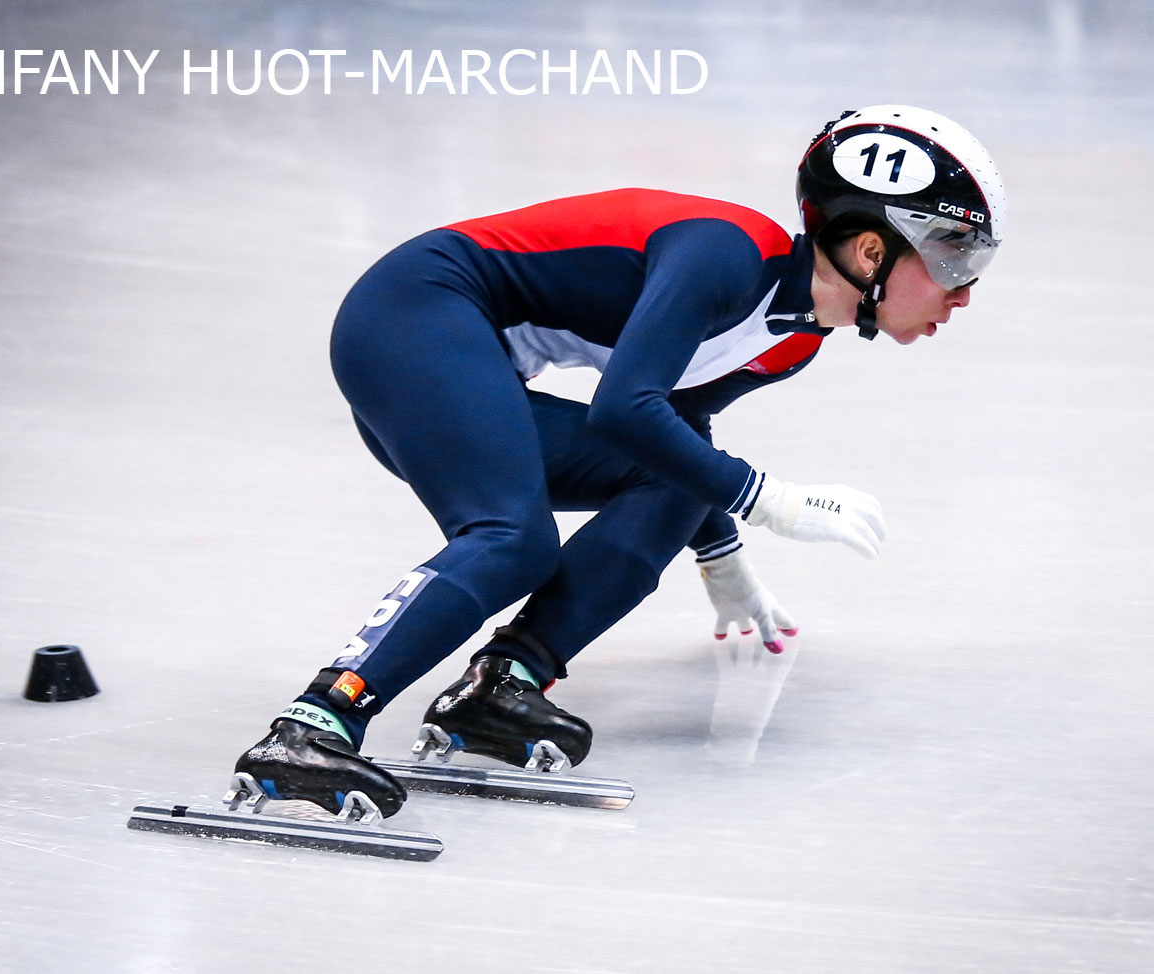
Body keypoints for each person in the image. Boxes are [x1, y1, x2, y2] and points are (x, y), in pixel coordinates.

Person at [234, 104, 1007, 816]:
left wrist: (723, 556)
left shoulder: (796, 340)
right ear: (871, 248)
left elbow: (675, 434)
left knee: (673, 476)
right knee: (513, 537)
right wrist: (770, 500)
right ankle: (313, 724)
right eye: (952, 256)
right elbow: (624, 407)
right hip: (411, 314)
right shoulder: (724, 254)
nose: (964, 291)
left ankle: (502, 685)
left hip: (471, 366)